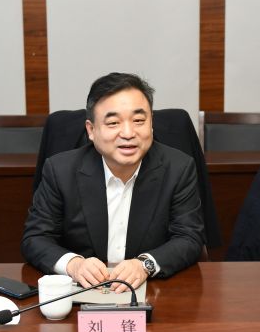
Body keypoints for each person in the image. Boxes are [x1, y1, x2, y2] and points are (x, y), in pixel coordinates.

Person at [22, 73, 205, 293]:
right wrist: (74, 264)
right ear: (91, 130)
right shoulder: (60, 170)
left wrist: (145, 265)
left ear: (151, 124)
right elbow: (35, 238)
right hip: (82, 292)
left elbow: (189, 238)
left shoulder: (179, 168)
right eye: (113, 123)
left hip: (156, 293)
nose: (128, 133)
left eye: (139, 121)